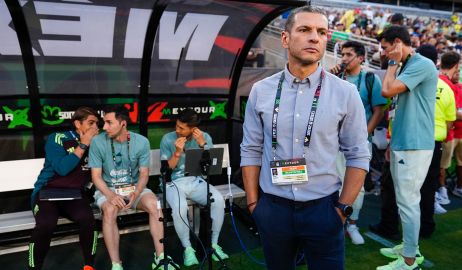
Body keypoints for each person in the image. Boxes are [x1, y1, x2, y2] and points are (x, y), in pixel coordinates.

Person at [241, 6, 370, 270]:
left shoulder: (345, 93)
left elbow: (358, 153)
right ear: (285, 39)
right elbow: (251, 149)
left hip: (324, 209)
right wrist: (255, 204)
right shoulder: (261, 91)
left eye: (321, 32)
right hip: (273, 208)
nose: (314, 37)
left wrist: (342, 209)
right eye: (305, 30)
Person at [377, 25, 437, 270]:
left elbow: (386, 90)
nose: (383, 53)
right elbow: (397, 106)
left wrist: (391, 65)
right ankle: (408, 247)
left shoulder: (421, 64)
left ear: (397, 42)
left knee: (408, 201)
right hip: (405, 142)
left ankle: (410, 260)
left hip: (414, 144)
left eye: (385, 48)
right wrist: (393, 141)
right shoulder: (409, 65)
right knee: (405, 200)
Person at [88, 105, 170, 270]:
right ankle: (116, 264)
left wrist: (136, 192)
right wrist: (111, 195)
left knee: (156, 205)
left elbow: (144, 174)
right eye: (104, 123)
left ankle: (160, 257)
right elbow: (96, 177)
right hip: (108, 189)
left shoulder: (141, 142)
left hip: (134, 188)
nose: (104, 127)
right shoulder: (98, 141)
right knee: (110, 211)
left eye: (109, 123)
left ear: (123, 124)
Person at [330, 40, 387, 245]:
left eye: (348, 55)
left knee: (358, 187)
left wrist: (364, 134)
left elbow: (379, 109)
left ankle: (352, 225)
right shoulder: (335, 77)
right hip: (334, 142)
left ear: (361, 58)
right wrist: (329, 75)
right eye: (342, 54)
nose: (343, 58)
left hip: (360, 143)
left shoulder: (370, 78)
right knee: (334, 183)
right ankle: (337, 223)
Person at [28, 107, 99, 270]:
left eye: (97, 123)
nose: (96, 127)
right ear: (77, 124)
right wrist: (83, 145)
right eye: (91, 123)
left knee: (88, 220)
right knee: (45, 224)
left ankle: (89, 266)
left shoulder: (97, 143)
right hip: (47, 192)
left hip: (74, 195)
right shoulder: (58, 138)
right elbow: (62, 168)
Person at [159, 108, 228, 266]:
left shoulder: (204, 138)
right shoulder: (167, 139)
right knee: (180, 207)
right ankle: (188, 249)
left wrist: (203, 145)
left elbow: (210, 168)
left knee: (218, 200)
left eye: (181, 128)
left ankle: (214, 244)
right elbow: (165, 171)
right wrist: (177, 153)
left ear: (193, 129)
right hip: (173, 183)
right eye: (176, 126)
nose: (177, 130)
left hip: (196, 181)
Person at [437, 52, 462, 204]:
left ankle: (460, 187)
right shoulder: (443, 85)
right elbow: (450, 113)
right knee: (443, 165)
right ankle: (441, 190)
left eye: (460, 71)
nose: (458, 73)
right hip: (449, 133)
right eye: (457, 70)